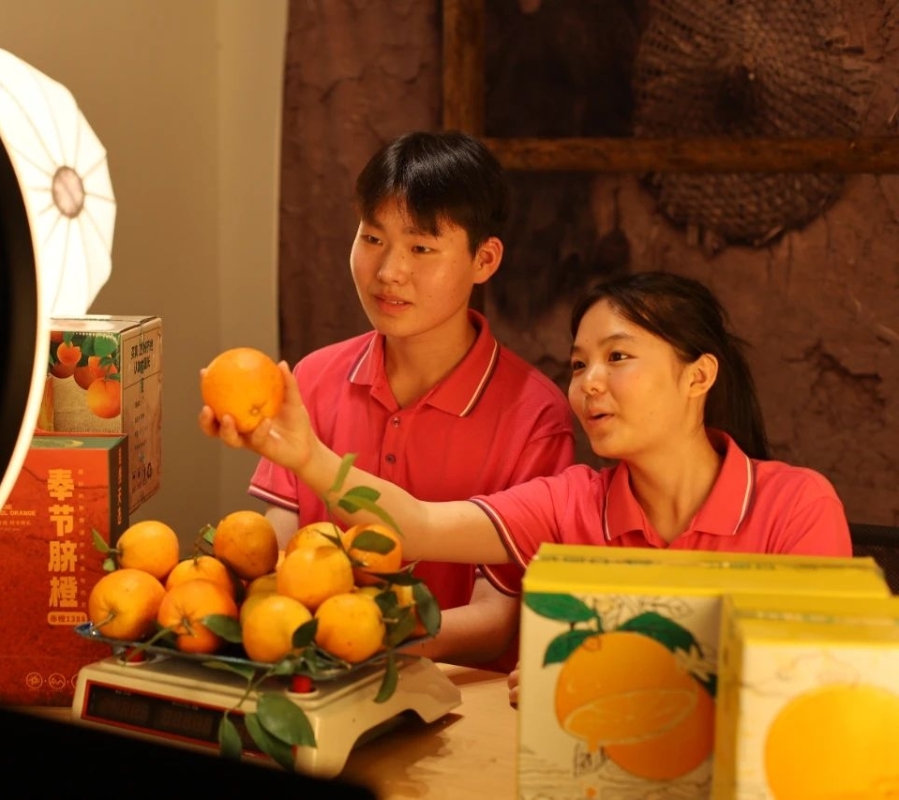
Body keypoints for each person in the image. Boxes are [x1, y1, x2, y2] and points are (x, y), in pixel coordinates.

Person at [201, 270, 852, 701]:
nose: (589, 383)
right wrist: (309, 457)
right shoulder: (572, 502)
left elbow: (818, 685)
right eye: (579, 364)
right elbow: (418, 527)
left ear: (698, 376)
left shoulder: (796, 505)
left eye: (618, 357)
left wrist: (601, 676)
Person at [243, 130, 576, 669]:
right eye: (373, 238)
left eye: (421, 248)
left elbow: (497, 621)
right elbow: (276, 553)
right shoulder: (314, 377)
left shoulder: (535, 416)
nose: (388, 272)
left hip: (460, 703)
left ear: (485, 259)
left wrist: (364, 643)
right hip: (311, 684)